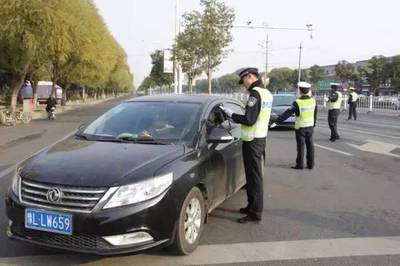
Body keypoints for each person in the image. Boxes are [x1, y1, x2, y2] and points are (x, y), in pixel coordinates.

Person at [219, 67, 273, 224]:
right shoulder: (266, 93)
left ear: (250, 76)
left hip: (253, 141)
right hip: (259, 138)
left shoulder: (255, 94)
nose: (243, 85)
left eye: (244, 81)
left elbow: (249, 119)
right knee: (252, 176)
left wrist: (231, 114)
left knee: (254, 177)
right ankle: (251, 206)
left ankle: (255, 212)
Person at [270, 82, 317, 170]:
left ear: (300, 91)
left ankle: (300, 165)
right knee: (310, 146)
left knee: (301, 147)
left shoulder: (297, 102)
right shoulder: (313, 101)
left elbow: (287, 114)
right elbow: (315, 114)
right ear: (308, 91)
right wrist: (314, 124)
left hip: (300, 128)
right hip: (310, 127)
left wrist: (276, 122)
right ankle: (310, 165)